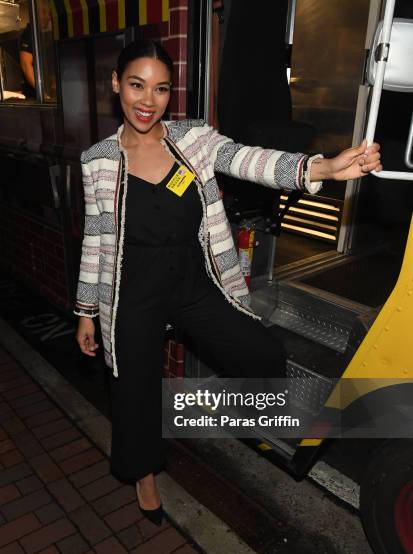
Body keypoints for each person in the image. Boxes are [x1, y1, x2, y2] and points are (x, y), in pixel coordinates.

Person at [74, 40, 382, 526]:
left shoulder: (192, 139)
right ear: (116, 85)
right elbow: (94, 237)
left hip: (195, 283)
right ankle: (145, 475)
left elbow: (248, 160)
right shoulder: (97, 160)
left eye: (159, 89)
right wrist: (86, 312)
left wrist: (321, 167)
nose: (147, 101)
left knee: (261, 354)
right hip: (132, 291)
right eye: (136, 85)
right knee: (133, 390)